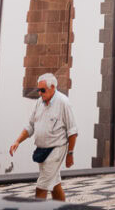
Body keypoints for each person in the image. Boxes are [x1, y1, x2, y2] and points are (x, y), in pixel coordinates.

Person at [10, 73, 78, 201]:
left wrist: (70, 153)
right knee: (55, 184)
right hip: (42, 150)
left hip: (56, 149)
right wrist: (17, 141)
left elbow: (72, 131)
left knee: (41, 187)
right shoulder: (39, 103)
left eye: (42, 90)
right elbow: (30, 126)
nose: (40, 93)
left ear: (52, 87)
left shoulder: (63, 103)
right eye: (38, 90)